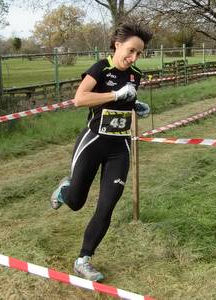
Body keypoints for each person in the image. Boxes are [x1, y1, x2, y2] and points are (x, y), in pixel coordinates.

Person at [50, 23, 152, 282]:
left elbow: (123, 102)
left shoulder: (135, 74)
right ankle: (66, 189)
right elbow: (80, 99)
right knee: (76, 203)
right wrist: (116, 93)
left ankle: (83, 259)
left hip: (120, 147)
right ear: (117, 44)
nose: (134, 58)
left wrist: (134, 105)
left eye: (139, 53)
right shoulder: (100, 68)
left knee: (107, 205)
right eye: (131, 51)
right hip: (93, 141)